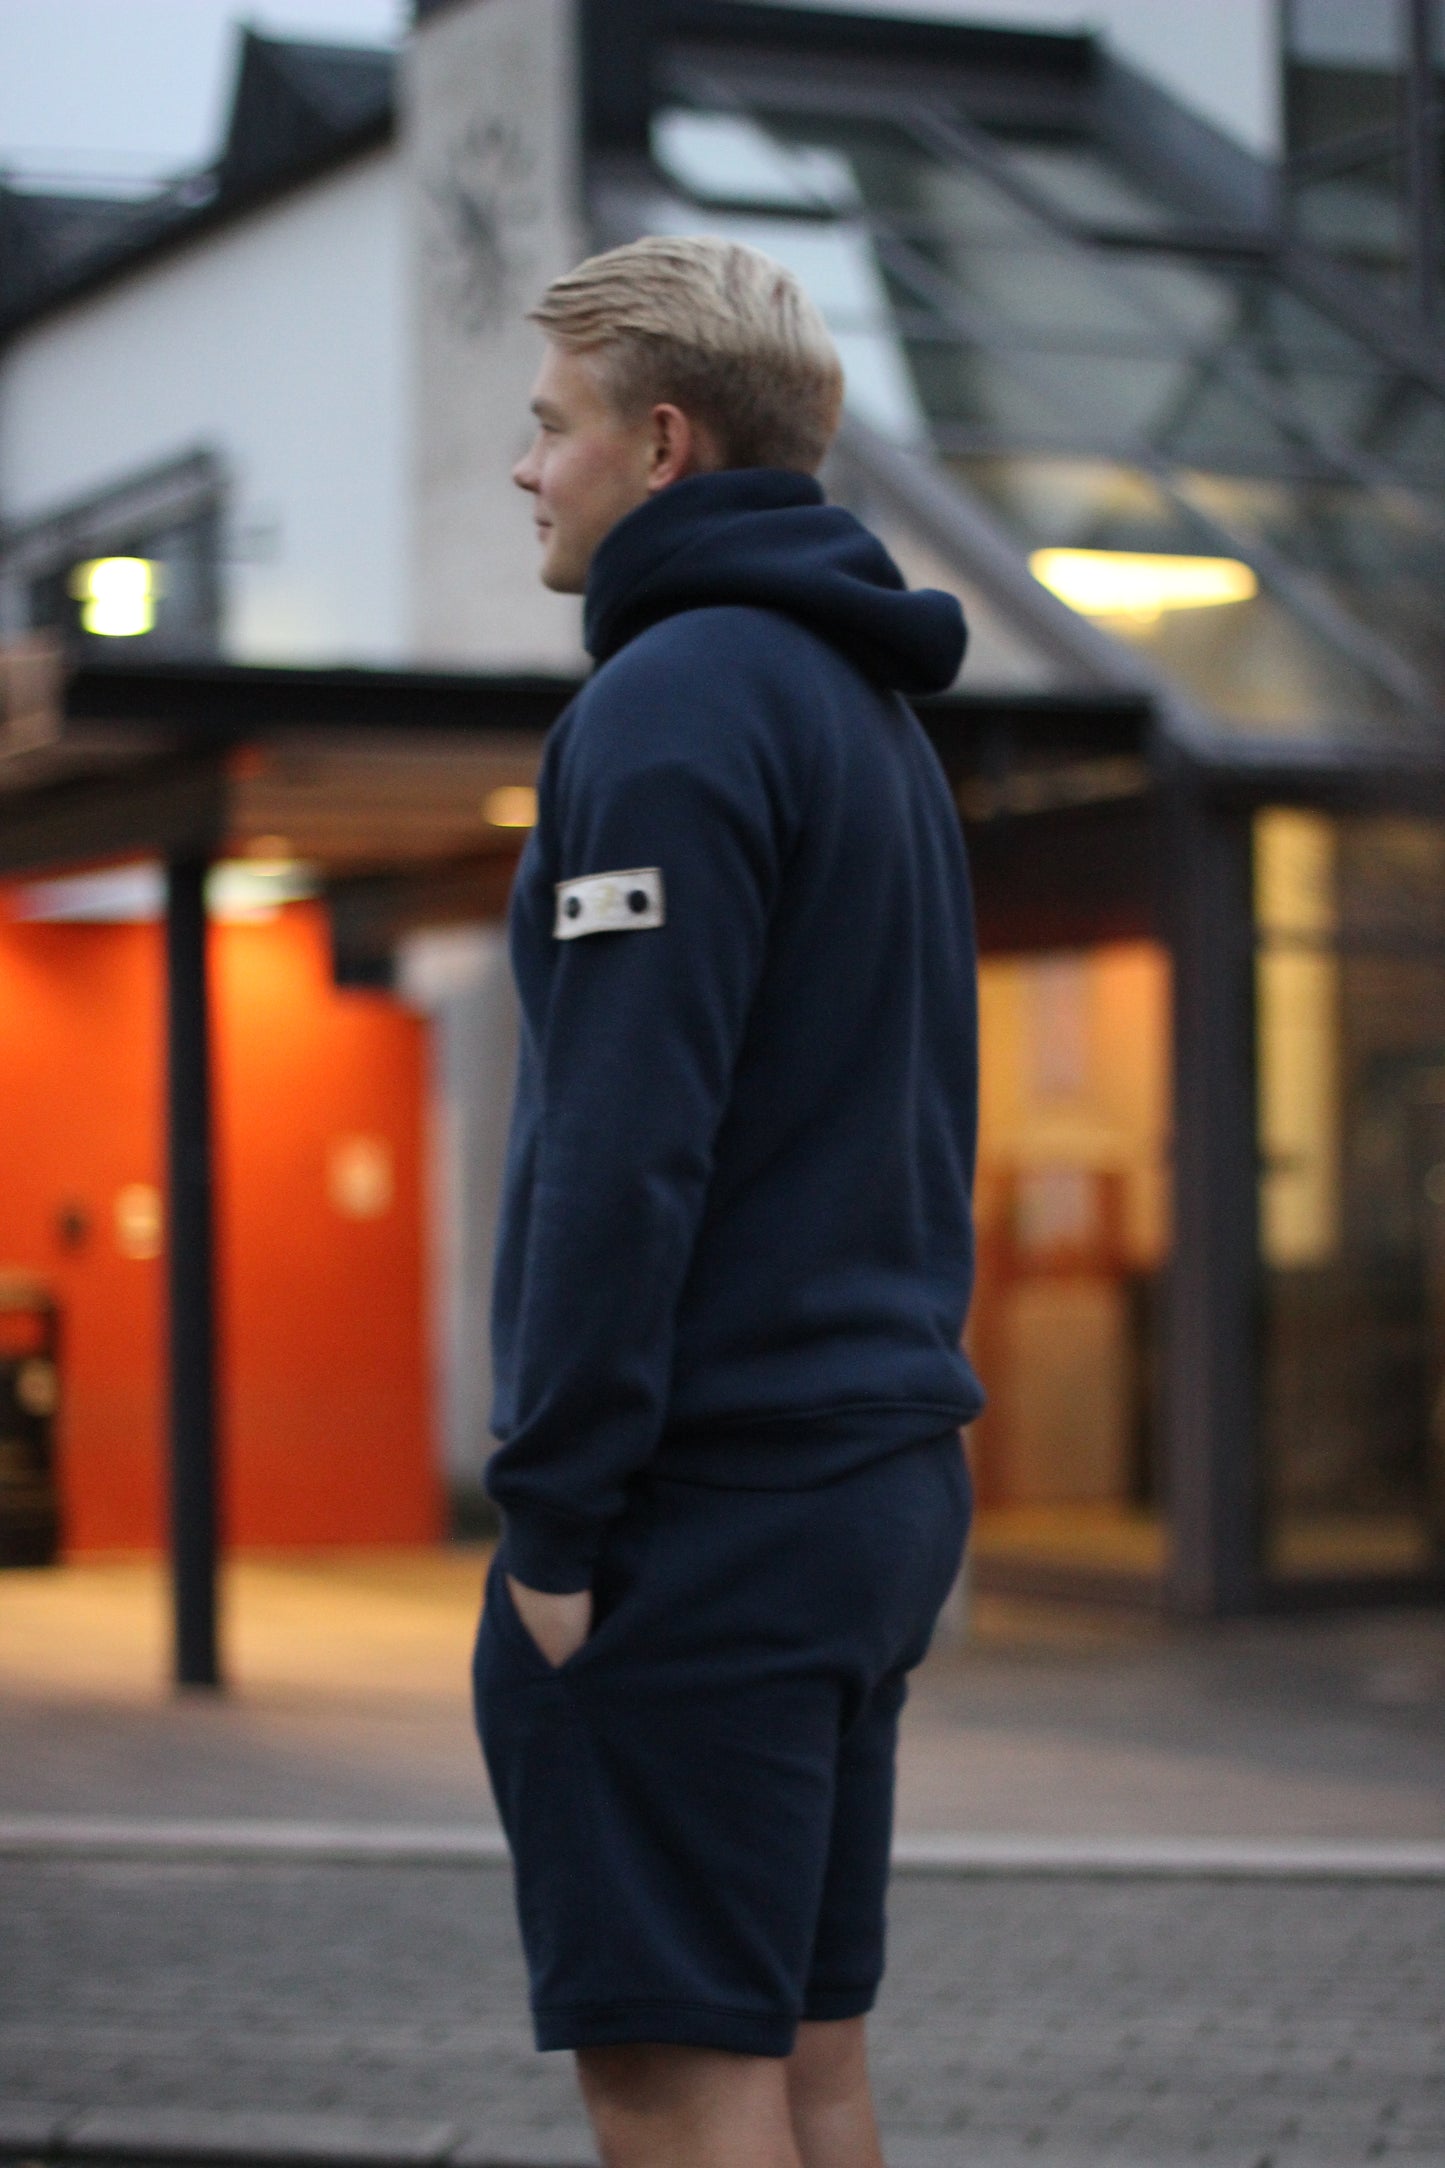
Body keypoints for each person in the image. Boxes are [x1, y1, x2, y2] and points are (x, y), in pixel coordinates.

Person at [472, 235, 984, 2168]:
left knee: (681, 2096)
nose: (528, 470)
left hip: (711, 1511)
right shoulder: (869, 716)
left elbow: (625, 1144)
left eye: (549, 430)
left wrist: (554, 1524)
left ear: (662, 444)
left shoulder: (673, 707)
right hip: (866, 1484)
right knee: (804, 2064)